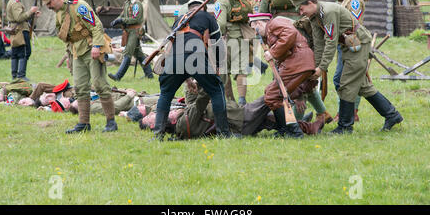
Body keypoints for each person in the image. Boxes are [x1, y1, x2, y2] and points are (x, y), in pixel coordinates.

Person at [289, 0, 403, 134]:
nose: (301, 12)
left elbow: (330, 42)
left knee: (346, 86)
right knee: (363, 87)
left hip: (358, 43)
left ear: (310, 3)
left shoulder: (328, 12)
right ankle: (392, 115)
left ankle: (345, 126)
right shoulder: (314, 17)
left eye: (301, 8)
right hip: (348, 45)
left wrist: (322, 68)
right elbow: (319, 45)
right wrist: (316, 67)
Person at [38, 0, 118, 134]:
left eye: (49, 3)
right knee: (80, 88)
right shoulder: (59, 13)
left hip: (92, 48)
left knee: (100, 85)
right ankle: (84, 123)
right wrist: (68, 56)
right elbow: (68, 37)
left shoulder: (78, 6)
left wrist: (96, 46)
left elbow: (97, 26)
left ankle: (111, 121)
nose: (48, 6)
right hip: (77, 52)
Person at [151, 0, 231, 141]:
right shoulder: (208, 17)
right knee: (216, 90)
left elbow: (171, 47)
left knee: (166, 94)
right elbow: (218, 43)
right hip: (195, 54)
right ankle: (224, 134)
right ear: (203, 9)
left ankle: (158, 135)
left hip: (175, 57)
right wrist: (218, 65)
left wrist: (186, 78)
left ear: (189, 9)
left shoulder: (179, 20)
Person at [136, 80, 325, 140]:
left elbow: (193, 101)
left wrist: (189, 83)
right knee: (272, 93)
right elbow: (201, 101)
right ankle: (303, 84)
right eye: (152, 120)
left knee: (271, 120)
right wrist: (205, 79)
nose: (156, 115)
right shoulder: (184, 123)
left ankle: (309, 126)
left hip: (238, 120)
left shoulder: (180, 119)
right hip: (240, 119)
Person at [249, 13, 319, 139]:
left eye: (254, 29)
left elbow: (290, 34)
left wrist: (272, 52)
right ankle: (285, 130)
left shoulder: (274, 23)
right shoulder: (270, 31)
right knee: (273, 94)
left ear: (259, 23)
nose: (255, 33)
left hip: (298, 62)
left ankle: (294, 132)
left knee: (272, 95)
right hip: (297, 63)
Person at [205, 0, 254, 106]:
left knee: (224, 72)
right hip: (242, 36)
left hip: (228, 39)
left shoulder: (220, 2)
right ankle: (242, 101)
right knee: (241, 71)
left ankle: (231, 103)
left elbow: (219, 24)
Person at [333, 0, 365, 122]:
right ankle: (348, 112)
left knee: (342, 80)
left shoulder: (354, 0)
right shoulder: (345, 0)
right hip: (344, 44)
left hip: (352, 45)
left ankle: (349, 112)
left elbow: (352, 24)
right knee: (346, 80)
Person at [108, 0, 153, 81]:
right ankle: (149, 75)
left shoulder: (136, 4)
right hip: (128, 31)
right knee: (139, 54)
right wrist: (115, 21)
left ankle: (118, 76)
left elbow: (135, 19)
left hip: (135, 31)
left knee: (127, 53)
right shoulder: (127, 3)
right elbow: (122, 15)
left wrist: (122, 20)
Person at [6, 0, 40, 81]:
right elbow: (19, 18)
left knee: (16, 52)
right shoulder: (15, 3)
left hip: (16, 30)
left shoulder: (13, 1)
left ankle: (15, 76)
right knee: (24, 52)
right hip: (20, 30)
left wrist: (32, 14)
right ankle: (21, 76)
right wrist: (30, 11)